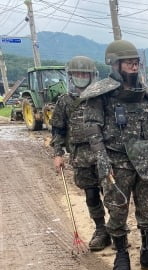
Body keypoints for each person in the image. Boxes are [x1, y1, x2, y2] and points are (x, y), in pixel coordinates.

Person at [81, 39, 148, 270]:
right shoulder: (101, 95)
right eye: (128, 62)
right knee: (118, 209)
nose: (133, 65)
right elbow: (93, 129)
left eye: (135, 62)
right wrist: (102, 160)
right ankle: (121, 254)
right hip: (117, 162)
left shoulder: (146, 95)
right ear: (114, 64)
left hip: (145, 162)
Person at [51, 56, 111, 251]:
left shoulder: (102, 97)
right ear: (70, 76)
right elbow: (58, 129)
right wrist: (58, 153)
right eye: (77, 74)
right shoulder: (65, 101)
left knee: (112, 194)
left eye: (84, 74)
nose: (81, 77)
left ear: (92, 76)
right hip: (81, 156)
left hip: (103, 154)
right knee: (92, 194)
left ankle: (117, 229)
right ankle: (101, 230)